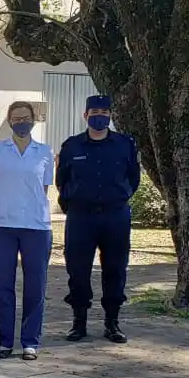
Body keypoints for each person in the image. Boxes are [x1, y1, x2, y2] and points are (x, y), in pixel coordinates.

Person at [56, 95, 139, 344]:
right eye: (94, 112)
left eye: (104, 111)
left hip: (115, 215)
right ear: (85, 116)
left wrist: (119, 197)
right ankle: (78, 323)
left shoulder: (125, 144)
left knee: (115, 269)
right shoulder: (72, 146)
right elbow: (62, 180)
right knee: (78, 270)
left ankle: (112, 323)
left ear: (111, 115)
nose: (99, 116)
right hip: (81, 216)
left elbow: (133, 178)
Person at [0, 101, 55, 360]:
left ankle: (30, 342)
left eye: (25, 117)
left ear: (34, 120)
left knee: (36, 285)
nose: (21, 121)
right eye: (16, 118)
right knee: (3, 285)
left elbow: (43, 189)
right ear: (9, 120)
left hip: (36, 226)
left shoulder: (44, 152)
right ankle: (5, 341)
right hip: (2, 225)